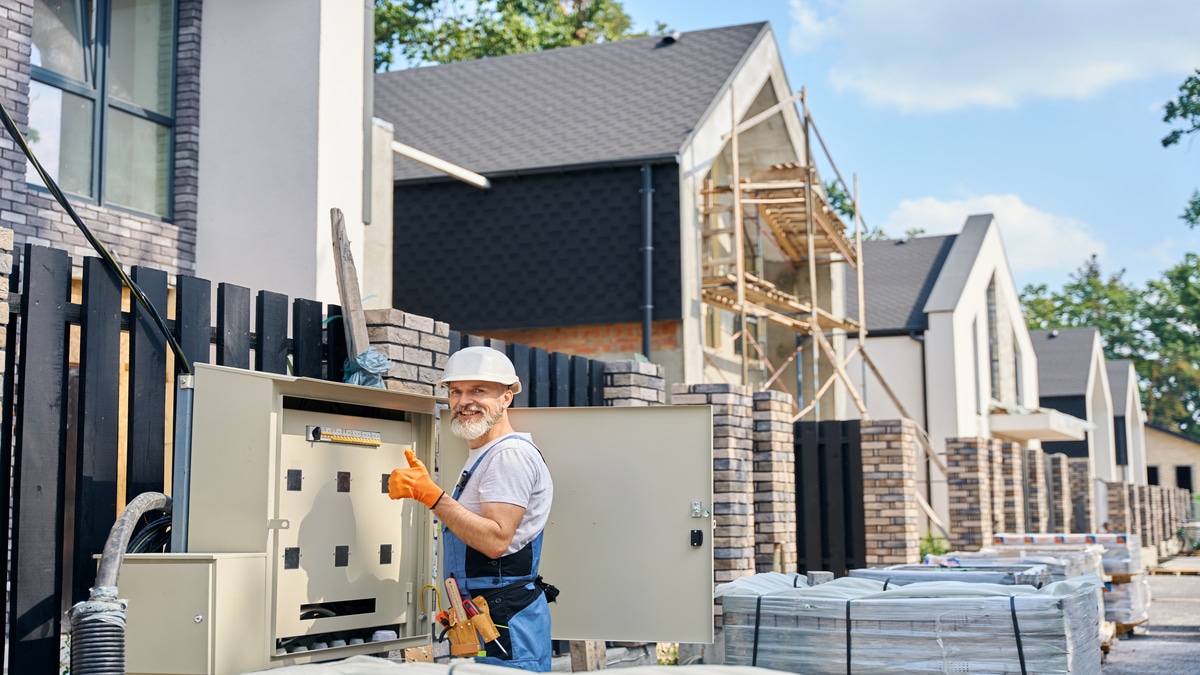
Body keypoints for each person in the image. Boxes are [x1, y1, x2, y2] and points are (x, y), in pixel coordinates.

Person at [389, 347, 555, 671]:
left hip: (505, 623)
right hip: (480, 617)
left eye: (478, 390)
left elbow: (496, 542)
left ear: (506, 398)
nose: (464, 401)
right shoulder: (485, 453)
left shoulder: (508, 456)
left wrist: (433, 497)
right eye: (456, 391)